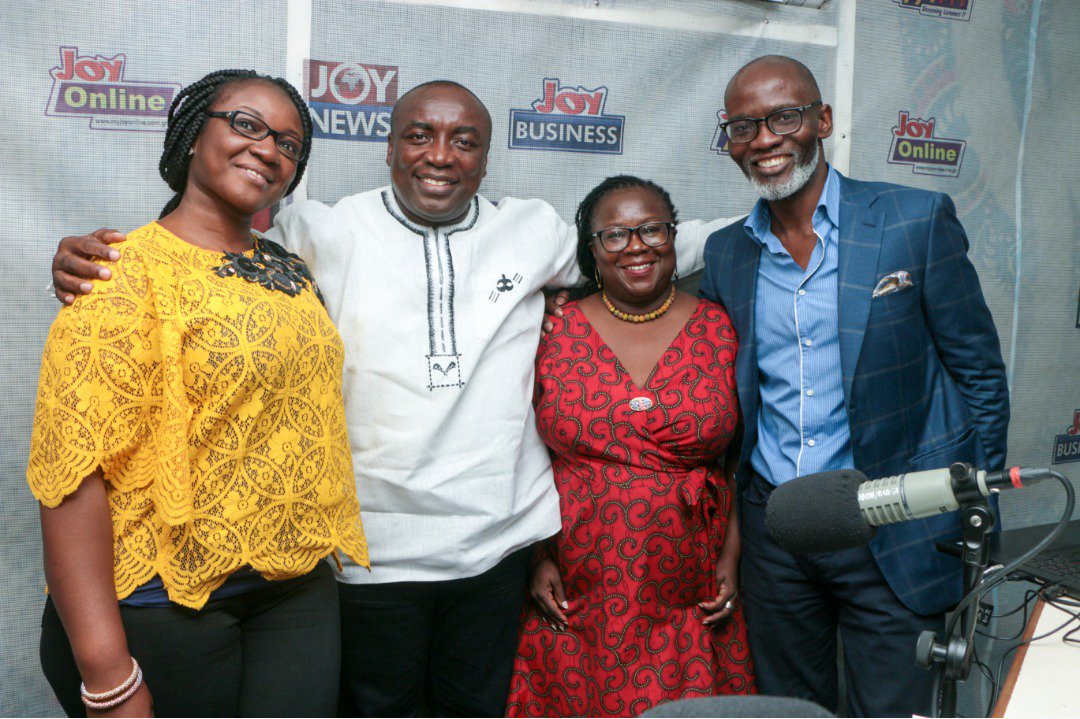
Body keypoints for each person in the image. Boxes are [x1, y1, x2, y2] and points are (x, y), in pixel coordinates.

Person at [49, 81, 737, 716]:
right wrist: (96, 258)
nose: (440, 155)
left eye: (464, 140)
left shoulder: (534, 232)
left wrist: (766, 224)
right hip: (365, 561)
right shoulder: (313, 234)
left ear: (487, 159)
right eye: (419, 135)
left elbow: (651, 247)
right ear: (388, 146)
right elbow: (203, 244)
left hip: (494, 552)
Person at [29, 69, 368, 717]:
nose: (268, 148)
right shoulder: (117, 272)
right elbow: (71, 476)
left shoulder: (291, 271)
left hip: (293, 591)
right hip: (160, 604)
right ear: (191, 136)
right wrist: (107, 673)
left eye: (289, 143)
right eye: (245, 124)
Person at [697, 55, 1009, 717]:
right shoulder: (728, 253)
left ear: (823, 121)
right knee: (790, 709)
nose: (764, 139)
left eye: (784, 116)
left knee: (896, 708)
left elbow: (977, 371)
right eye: (743, 126)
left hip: (893, 523)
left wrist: (967, 501)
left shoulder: (911, 221)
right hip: (778, 531)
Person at [506, 176, 756, 718]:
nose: (636, 245)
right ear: (590, 250)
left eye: (651, 230)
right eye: (614, 235)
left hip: (690, 579)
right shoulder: (551, 328)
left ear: (673, 236)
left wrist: (732, 555)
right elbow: (520, 445)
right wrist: (536, 554)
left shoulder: (720, 325)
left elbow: (737, 455)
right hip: (578, 577)